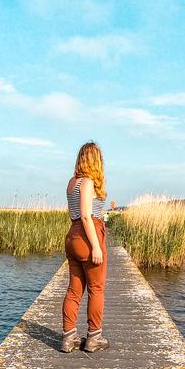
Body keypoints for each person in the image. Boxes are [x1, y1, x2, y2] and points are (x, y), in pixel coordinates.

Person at [61, 142, 109, 352]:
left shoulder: (72, 182)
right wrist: (96, 247)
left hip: (72, 236)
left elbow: (74, 215)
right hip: (88, 235)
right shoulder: (88, 182)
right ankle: (94, 337)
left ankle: (69, 337)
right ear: (95, 160)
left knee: (74, 290)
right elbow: (86, 216)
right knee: (96, 289)